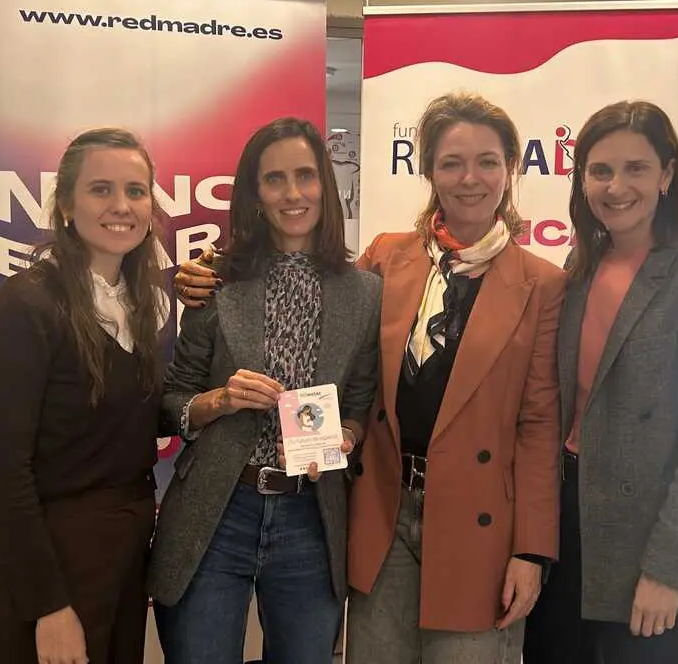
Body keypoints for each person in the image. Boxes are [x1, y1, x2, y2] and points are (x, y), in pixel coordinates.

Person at [173, 91, 565, 663]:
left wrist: (531, 551)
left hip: (478, 523)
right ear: (428, 170)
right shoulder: (386, 260)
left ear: (511, 166)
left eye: (487, 161)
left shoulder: (542, 284)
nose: (469, 178)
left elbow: (539, 428)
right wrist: (201, 275)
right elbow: (329, 334)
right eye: (451, 162)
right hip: (383, 510)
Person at [521, 100, 678, 664]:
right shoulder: (578, 268)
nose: (616, 186)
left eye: (636, 169)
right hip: (567, 524)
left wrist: (667, 571)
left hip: (649, 534)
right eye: (600, 170)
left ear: (667, 175)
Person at [148, 117, 382, 664]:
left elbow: (359, 404)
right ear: (255, 194)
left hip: (310, 518)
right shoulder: (216, 280)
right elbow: (171, 403)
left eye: (305, 175)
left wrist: (345, 439)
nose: (293, 193)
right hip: (217, 512)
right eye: (275, 179)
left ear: (326, 184)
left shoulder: (364, 293)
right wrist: (218, 401)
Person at [0, 127, 170, 664]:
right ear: (65, 204)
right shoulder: (26, 307)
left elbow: (129, 422)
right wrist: (49, 606)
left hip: (123, 554)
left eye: (135, 190)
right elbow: (0, 475)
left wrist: (215, 403)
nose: (121, 206)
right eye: (100, 189)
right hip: (50, 561)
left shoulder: (142, 303)